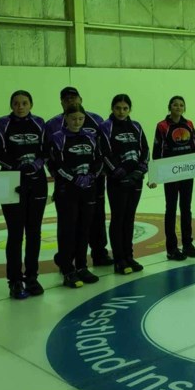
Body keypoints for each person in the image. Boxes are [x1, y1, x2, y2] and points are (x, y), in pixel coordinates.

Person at [45, 87, 113, 268]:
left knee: (96, 217)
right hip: (67, 183)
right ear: (61, 102)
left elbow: (102, 148)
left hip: (93, 180)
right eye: (66, 99)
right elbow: (50, 156)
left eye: (74, 98)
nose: (71, 101)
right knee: (68, 221)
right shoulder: (53, 124)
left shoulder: (96, 119)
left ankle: (99, 253)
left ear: (81, 99)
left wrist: (97, 173)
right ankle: (67, 259)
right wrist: (62, 177)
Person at [0, 90, 48, 300]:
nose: (20, 106)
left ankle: (32, 277)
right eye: (16, 103)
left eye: (24, 103)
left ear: (31, 104)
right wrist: (17, 168)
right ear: (11, 105)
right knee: (15, 234)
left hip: (37, 183)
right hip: (12, 184)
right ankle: (14, 280)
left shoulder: (39, 123)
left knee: (34, 233)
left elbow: (46, 149)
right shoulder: (2, 123)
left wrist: (35, 164)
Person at [47, 104, 104, 289]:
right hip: (67, 191)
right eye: (73, 118)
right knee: (67, 230)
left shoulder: (90, 136)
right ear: (65, 118)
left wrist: (91, 177)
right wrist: (73, 178)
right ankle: (67, 269)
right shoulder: (58, 138)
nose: (77, 122)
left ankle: (82, 266)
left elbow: (98, 160)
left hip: (88, 188)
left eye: (80, 119)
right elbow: (55, 164)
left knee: (84, 228)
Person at [101, 94, 149, 275]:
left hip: (136, 180)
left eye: (125, 108)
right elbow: (104, 153)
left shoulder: (136, 126)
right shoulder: (106, 127)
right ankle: (119, 259)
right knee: (118, 218)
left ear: (130, 109)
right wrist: (117, 172)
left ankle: (129, 256)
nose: (121, 112)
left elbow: (145, 149)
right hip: (117, 181)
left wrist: (140, 171)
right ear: (112, 108)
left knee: (130, 218)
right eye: (118, 108)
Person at [150, 96, 195, 261]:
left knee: (186, 208)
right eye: (175, 104)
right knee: (171, 209)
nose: (178, 107)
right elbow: (157, 151)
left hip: (187, 171)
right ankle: (171, 248)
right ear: (169, 107)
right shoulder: (162, 126)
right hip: (170, 172)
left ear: (184, 108)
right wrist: (155, 175)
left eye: (181, 105)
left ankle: (187, 244)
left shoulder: (189, 124)